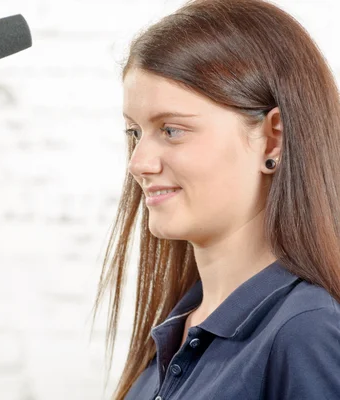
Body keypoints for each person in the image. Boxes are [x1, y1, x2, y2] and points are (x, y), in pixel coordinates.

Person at [94, 0, 340, 399]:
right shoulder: (176, 333)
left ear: (273, 137)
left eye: (171, 130)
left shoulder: (307, 333)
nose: (138, 163)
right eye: (134, 133)